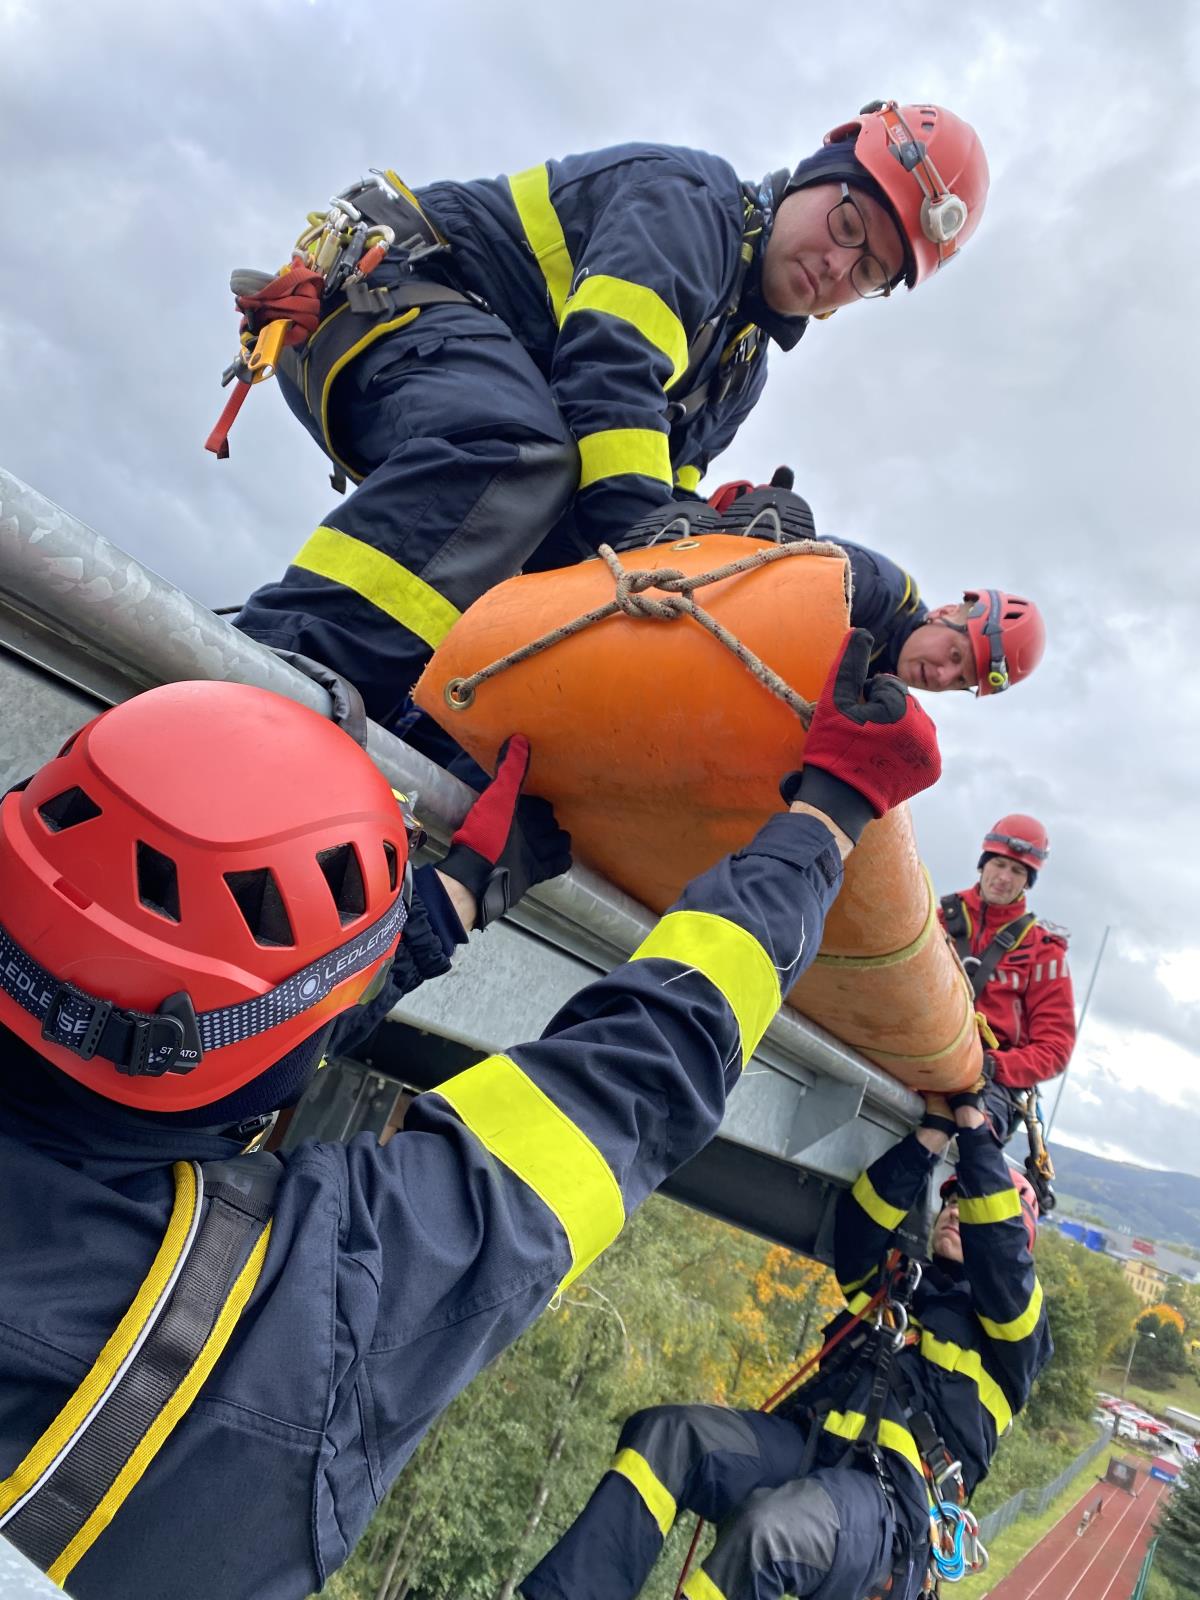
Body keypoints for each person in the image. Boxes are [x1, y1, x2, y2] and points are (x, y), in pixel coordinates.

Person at [0, 630, 940, 1599]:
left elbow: (216, 1018)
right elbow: (629, 1083)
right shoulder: (284, 1322)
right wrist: (827, 819)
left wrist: (451, 900)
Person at [227, 102, 989, 754]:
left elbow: (650, 502)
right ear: (818, 172)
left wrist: (717, 555)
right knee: (522, 455)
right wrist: (661, 545)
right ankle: (277, 672)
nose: (838, 265)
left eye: (868, 274)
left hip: (462, 377)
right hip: (382, 300)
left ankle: (415, 722)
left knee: (571, 582)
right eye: (847, 223)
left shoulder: (739, 365)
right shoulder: (693, 206)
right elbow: (608, 370)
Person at [520, 1094, 1051, 1600]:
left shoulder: (1017, 1336)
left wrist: (976, 1131)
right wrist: (930, 1138)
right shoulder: (901, 1288)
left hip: (890, 1507)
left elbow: (1002, 1255)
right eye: (951, 1200)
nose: (955, 1211)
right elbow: (858, 1231)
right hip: (810, 1450)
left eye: (970, 1206)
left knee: (768, 1533)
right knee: (670, 1434)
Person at [697, 472, 1046, 695]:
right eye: (955, 655)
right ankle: (726, 532)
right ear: (945, 612)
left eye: (960, 681)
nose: (942, 677)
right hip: (713, 591)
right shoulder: (877, 590)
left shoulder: (885, 692)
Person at [939, 814, 1076, 1144]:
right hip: (924, 1054)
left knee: (969, 1135)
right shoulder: (937, 919)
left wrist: (991, 1065)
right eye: (999, 864)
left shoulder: (1044, 952)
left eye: (1017, 871)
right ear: (983, 864)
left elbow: (1055, 1048)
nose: (1004, 877)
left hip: (993, 1082)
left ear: (1028, 881)